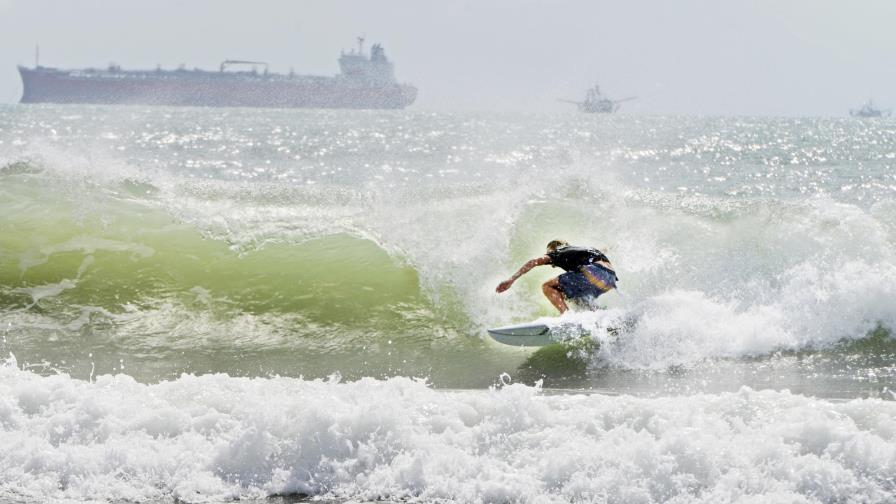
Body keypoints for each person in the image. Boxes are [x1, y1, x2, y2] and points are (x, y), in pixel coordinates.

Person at [495, 240, 618, 313]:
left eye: (549, 252)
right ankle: (598, 314)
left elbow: (534, 262)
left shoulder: (558, 252)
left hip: (594, 272)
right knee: (572, 295)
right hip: (609, 280)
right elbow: (603, 251)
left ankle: (567, 318)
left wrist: (511, 279)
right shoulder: (582, 250)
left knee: (547, 286)